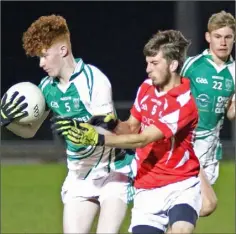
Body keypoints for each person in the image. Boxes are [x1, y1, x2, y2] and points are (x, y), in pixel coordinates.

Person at [53, 30, 202, 234]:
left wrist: (98, 139)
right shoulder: (146, 88)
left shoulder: (183, 102)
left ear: (173, 65)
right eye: (147, 62)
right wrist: (112, 124)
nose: (148, 69)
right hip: (146, 188)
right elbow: (132, 127)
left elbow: (143, 139)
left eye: (154, 63)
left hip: (180, 184)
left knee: (181, 230)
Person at [0, 14, 135, 234]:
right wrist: (7, 121)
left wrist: (83, 131)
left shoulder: (94, 80)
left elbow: (111, 133)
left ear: (62, 51)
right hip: (79, 176)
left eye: (44, 56)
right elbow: (30, 131)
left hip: (112, 173)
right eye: (38, 58)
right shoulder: (46, 87)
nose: (41, 63)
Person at [181, 10, 235, 217]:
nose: (223, 42)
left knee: (192, 210)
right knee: (205, 203)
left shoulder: (234, 71)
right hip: (188, 142)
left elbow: (230, 112)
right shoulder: (192, 65)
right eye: (218, 36)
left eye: (228, 37)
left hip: (211, 147)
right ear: (208, 37)